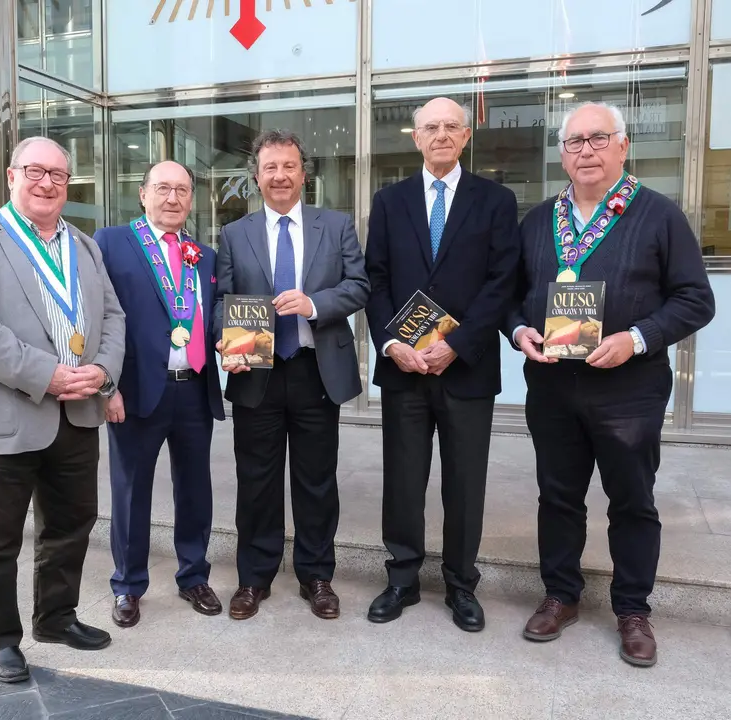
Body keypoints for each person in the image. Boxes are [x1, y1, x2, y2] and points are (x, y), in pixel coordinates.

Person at [509, 102, 715, 667]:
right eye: (574, 143)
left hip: (629, 388)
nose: (586, 152)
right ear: (562, 154)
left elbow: (697, 300)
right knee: (557, 497)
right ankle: (560, 595)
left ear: (623, 146)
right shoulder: (537, 221)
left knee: (631, 500)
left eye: (598, 139)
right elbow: (510, 295)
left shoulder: (658, 215)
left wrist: (638, 337)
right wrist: (520, 329)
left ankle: (632, 609)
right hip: (551, 387)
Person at [0, 136, 125, 683]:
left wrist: (103, 372)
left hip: (76, 413)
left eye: (59, 175)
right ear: (11, 175)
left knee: (70, 524)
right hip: (3, 415)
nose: (47, 183)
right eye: (36, 172)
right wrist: (46, 374)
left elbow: (112, 318)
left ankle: (56, 617)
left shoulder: (85, 247)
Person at [364, 97, 520, 632]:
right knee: (403, 480)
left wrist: (458, 342)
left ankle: (460, 584)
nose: (441, 135)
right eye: (431, 127)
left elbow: (503, 282)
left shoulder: (496, 200)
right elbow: (376, 280)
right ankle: (402, 578)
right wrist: (391, 344)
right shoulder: (389, 201)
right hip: (405, 367)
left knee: (464, 482)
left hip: (467, 368)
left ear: (466, 135)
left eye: (451, 126)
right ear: (415, 137)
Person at [213, 129, 369, 621]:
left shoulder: (336, 225)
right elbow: (221, 301)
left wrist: (315, 303)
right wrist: (227, 339)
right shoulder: (234, 234)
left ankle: (317, 576)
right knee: (255, 479)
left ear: (304, 172)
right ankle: (254, 578)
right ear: (256, 177)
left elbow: (359, 285)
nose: (280, 175)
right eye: (270, 168)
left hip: (314, 371)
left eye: (289, 166)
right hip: (257, 372)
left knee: (316, 480)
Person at [95, 161, 225, 628]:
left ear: (191, 199)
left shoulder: (203, 254)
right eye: (163, 188)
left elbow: (209, 319)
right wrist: (105, 386)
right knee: (131, 491)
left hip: (193, 389)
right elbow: (98, 319)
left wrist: (232, 341)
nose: (173, 198)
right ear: (142, 194)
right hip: (133, 392)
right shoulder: (110, 243)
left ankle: (194, 576)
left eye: (182, 190)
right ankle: (128, 585)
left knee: (195, 489)